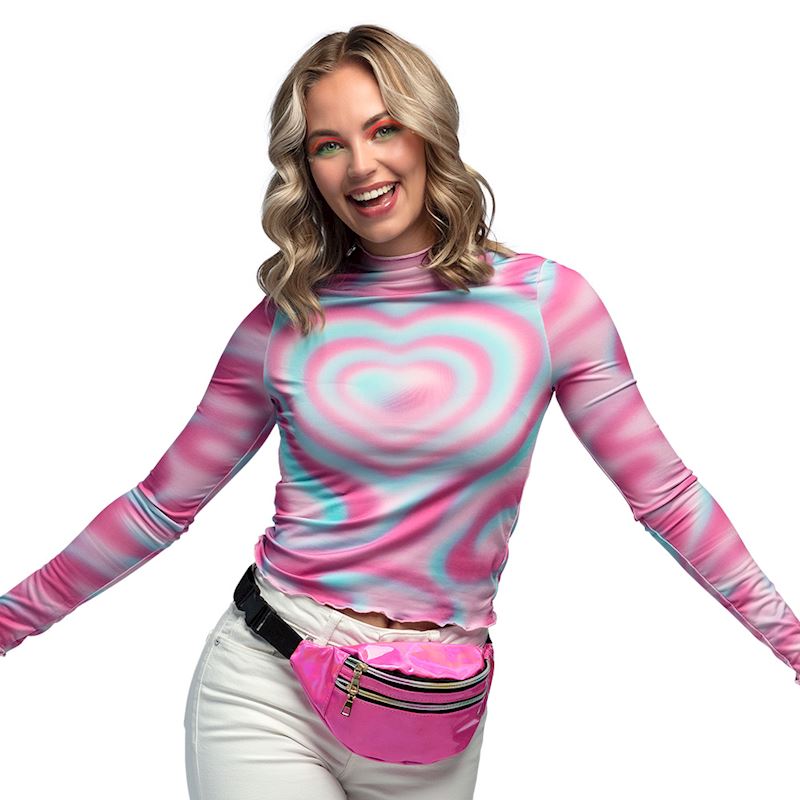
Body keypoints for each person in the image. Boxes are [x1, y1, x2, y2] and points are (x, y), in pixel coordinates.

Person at [2, 22, 799, 800]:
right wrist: (9, 622)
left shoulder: (548, 304)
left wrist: (792, 644)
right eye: (329, 145)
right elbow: (159, 506)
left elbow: (666, 497)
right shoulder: (285, 322)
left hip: (433, 709)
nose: (361, 166)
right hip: (272, 682)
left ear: (428, 133)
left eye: (383, 129)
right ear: (306, 169)